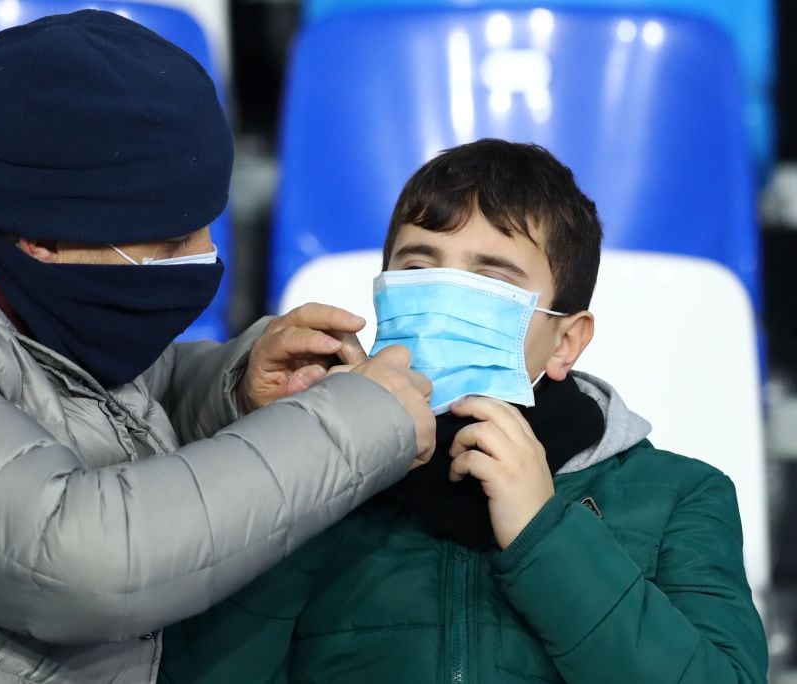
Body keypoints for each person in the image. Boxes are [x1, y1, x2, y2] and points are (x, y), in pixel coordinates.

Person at [0, 11, 437, 683]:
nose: (206, 258)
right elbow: (83, 562)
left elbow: (95, 405)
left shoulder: (10, 276)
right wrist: (354, 423)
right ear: (46, 238)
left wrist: (235, 387)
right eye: (172, 243)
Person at [160, 139, 769, 683]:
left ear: (566, 341)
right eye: (418, 268)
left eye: (491, 278)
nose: (444, 294)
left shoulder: (679, 494)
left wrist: (545, 532)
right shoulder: (315, 471)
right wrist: (307, 471)